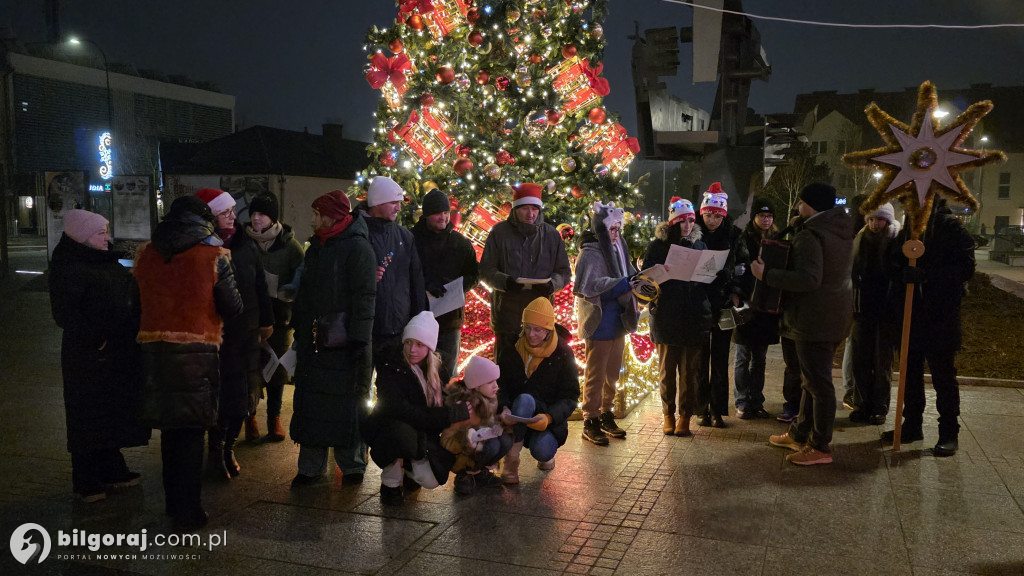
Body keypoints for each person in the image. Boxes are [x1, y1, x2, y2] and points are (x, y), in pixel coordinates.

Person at [134, 196, 242, 530]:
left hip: (154, 351)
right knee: (192, 434)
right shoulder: (213, 256)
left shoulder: (147, 253)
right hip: (197, 349)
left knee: (170, 432)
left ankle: (172, 503)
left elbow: (133, 301)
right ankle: (189, 510)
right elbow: (233, 306)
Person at [49, 209, 150, 503]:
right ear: (82, 237)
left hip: (115, 353)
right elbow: (67, 314)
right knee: (87, 415)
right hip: (90, 356)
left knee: (110, 411)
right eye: (99, 233)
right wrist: (98, 339)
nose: (106, 238)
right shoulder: (70, 266)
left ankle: (111, 467)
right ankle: (86, 477)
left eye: (106, 231)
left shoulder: (100, 259)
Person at [753, 183, 853, 466]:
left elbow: (809, 279)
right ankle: (800, 433)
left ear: (811, 205)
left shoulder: (812, 235)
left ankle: (820, 446)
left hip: (814, 319)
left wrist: (766, 274)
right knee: (811, 381)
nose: (797, 207)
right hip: (833, 315)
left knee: (818, 384)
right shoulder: (839, 229)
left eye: (800, 203)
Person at [290, 191, 377, 487]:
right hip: (315, 340)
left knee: (346, 404)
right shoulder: (316, 246)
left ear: (331, 216)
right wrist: (299, 326)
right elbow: (306, 292)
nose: (312, 219)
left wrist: (359, 340)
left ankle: (351, 465)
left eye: (317, 214)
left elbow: (365, 298)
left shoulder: (358, 248)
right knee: (313, 402)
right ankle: (311, 467)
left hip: (344, 342)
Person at [882, 199, 975, 456]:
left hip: (939, 317)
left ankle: (948, 431)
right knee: (909, 373)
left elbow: (965, 268)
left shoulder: (951, 229)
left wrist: (927, 275)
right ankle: (912, 425)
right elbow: (892, 261)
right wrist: (901, 272)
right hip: (910, 315)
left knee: (943, 376)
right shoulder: (909, 229)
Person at [195, 188, 274, 480]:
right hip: (216, 333)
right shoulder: (202, 247)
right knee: (220, 396)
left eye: (231, 212)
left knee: (242, 397)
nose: (232, 217)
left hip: (246, 330)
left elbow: (259, 284)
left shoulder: (243, 243)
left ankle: (229, 447)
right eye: (225, 212)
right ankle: (215, 450)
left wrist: (267, 319)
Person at [363, 311, 472, 505]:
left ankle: (409, 471)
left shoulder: (439, 368)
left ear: (429, 347)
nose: (412, 349)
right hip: (388, 429)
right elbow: (402, 411)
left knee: (430, 480)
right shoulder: (391, 366)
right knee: (399, 434)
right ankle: (391, 483)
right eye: (408, 342)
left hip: (420, 430)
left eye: (419, 344)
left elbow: (439, 406)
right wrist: (447, 415)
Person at [643, 198, 713, 436]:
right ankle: (668, 414)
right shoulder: (657, 247)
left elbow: (708, 281)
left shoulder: (700, 246)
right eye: (682, 221)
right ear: (673, 222)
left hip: (694, 316)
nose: (687, 225)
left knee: (690, 372)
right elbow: (647, 280)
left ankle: (685, 416)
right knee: (666, 370)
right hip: (666, 315)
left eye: (691, 220)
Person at [480, 182, 572, 355]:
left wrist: (553, 285)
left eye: (534, 209)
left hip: (540, 319)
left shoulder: (551, 235)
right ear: (515, 209)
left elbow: (564, 271)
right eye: (525, 209)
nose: (530, 214)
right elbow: (486, 269)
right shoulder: (499, 233)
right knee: (507, 371)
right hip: (507, 316)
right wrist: (504, 282)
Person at [574, 201, 638, 445]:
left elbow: (628, 271)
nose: (616, 234)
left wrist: (640, 278)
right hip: (600, 319)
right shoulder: (590, 252)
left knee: (612, 371)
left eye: (618, 229)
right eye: (612, 229)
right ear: (601, 228)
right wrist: (621, 284)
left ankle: (606, 413)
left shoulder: (619, 245)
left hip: (619, 318)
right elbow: (587, 286)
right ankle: (590, 418)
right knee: (596, 373)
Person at [497, 297, 580, 482]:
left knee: (542, 450)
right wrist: (503, 407)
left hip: (544, 418)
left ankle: (546, 454)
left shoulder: (562, 353)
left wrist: (550, 417)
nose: (531, 334)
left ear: (549, 329)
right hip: (514, 416)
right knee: (525, 399)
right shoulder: (511, 348)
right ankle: (512, 459)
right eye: (527, 327)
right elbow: (499, 385)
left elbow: (570, 396)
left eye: (538, 329)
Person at [244, 192, 305, 442]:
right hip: (249, 315)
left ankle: (274, 418)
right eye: (254, 214)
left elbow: (301, 276)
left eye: (262, 214)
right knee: (251, 367)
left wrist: (289, 292)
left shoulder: (290, 245)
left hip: (279, 316)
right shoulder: (244, 242)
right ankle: (250, 417)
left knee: (277, 368)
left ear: (273, 217)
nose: (256, 219)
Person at [411, 188, 479, 381]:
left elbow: (474, 274)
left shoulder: (460, 243)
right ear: (426, 215)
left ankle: (445, 410)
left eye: (446, 212)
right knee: (418, 374)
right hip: (418, 318)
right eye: (437, 213)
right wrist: (425, 284)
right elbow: (404, 274)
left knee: (447, 374)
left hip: (450, 322)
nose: (443, 217)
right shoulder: (411, 240)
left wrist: (458, 286)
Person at [696, 182, 748, 428]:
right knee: (699, 358)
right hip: (696, 302)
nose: (712, 220)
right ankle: (701, 409)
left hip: (724, 302)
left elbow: (743, 267)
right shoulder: (692, 232)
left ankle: (717, 410)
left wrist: (736, 291)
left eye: (717, 215)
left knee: (719, 359)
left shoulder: (734, 235)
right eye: (708, 214)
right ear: (702, 212)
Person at [361, 176, 426, 367]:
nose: (398, 208)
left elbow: (416, 281)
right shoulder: (358, 234)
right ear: (377, 202)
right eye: (393, 202)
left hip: (398, 329)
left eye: (399, 203)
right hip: (367, 328)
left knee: (392, 389)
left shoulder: (405, 237)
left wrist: (418, 322)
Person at [849, 203, 900, 425]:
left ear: (887, 221)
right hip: (862, 308)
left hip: (885, 311)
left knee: (882, 362)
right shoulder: (860, 240)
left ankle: (879, 407)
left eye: (879, 220)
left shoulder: (895, 241)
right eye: (870, 219)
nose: (874, 224)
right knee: (860, 359)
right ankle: (861, 404)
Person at [733, 197, 780, 420]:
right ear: (754, 217)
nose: (766, 219)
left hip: (767, 306)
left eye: (769, 216)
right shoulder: (743, 239)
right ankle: (742, 401)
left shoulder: (778, 240)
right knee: (743, 355)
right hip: (746, 303)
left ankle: (756, 400)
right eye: (762, 215)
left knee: (760, 357)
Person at [441, 355, 513, 495]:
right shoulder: (463, 405)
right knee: (493, 445)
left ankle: (479, 471)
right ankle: (465, 474)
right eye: (490, 382)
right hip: (459, 452)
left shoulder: (489, 399)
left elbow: (488, 423)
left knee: (506, 439)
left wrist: (501, 421)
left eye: (496, 381)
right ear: (476, 385)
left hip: (479, 443)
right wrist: (468, 439)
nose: (496, 386)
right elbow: (448, 440)